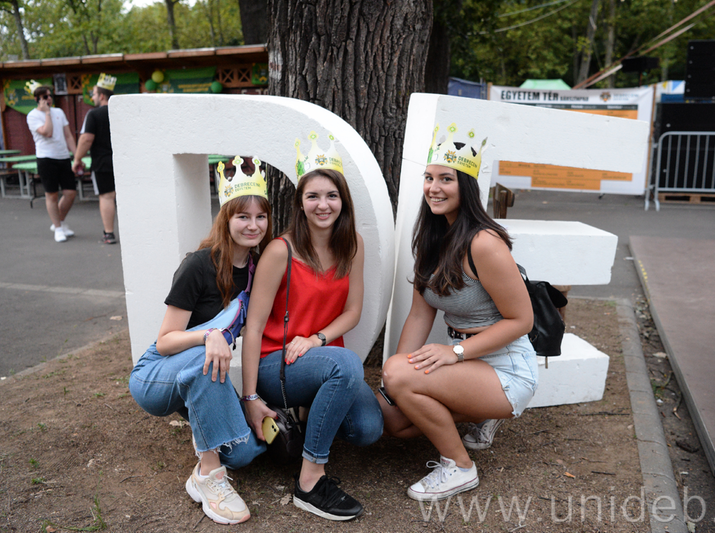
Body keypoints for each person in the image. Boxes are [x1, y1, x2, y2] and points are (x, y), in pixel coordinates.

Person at [379, 123, 537, 502]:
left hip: (506, 367)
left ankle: (460, 467)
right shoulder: (431, 239)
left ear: (465, 186)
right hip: (468, 365)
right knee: (394, 420)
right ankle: (480, 413)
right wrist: (392, 380)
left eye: (446, 179)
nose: (434, 187)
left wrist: (455, 353)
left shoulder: (484, 243)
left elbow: (522, 321)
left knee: (400, 377)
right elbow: (420, 315)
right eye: (429, 178)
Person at [241, 133, 383, 522]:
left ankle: (308, 414)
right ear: (300, 203)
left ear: (343, 201)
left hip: (321, 358)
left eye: (332, 195)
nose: (323, 204)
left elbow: (352, 311)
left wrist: (316, 339)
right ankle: (310, 480)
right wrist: (250, 396)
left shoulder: (352, 244)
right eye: (313, 196)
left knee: (368, 429)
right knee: (347, 364)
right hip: (276, 364)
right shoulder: (280, 251)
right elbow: (253, 328)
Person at [129, 157, 271, 525]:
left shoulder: (258, 270)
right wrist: (209, 335)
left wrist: (250, 398)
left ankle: (204, 460)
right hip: (156, 376)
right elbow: (164, 342)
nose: (253, 225)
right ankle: (210, 477)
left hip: (203, 375)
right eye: (243, 216)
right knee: (207, 359)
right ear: (226, 218)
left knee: (244, 453)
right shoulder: (198, 265)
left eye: (260, 216)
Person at [25, 81, 78, 243]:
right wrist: (47, 113)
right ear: (37, 99)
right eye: (45, 96)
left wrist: (77, 156)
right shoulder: (33, 116)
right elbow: (47, 132)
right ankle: (58, 228)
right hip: (46, 158)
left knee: (70, 193)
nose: (49, 99)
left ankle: (58, 222)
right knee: (52, 194)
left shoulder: (59, 112)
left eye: (50, 96)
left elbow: (68, 135)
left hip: (63, 157)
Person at [72, 73, 117, 244]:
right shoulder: (122, 112)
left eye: (94, 94)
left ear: (102, 96)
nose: (92, 97)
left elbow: (86, 139)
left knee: (107, 197)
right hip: (124, 162)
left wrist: (77, 159)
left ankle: (109, 234)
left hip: (102, 163)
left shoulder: (94, 114)